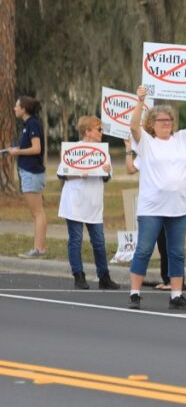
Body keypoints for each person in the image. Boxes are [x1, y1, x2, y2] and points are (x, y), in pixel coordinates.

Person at [126, 85, 186, 310]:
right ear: (152, 124)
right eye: (161, 120)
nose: (166, 123)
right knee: (145, 249)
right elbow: (133, 126)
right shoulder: (147, 142)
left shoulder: (183, 139)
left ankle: (176, 295)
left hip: (179, 207)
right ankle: (135, 293)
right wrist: (140, 101)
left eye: (169, 120)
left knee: (176, 252)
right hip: (151, 208)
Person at [58, 116, 118, 290]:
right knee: (76, 239)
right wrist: (79, 174)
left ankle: (104, 277)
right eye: (98, 129)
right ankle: (79, 275)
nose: (101, 133)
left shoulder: (103, 152)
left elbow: (106, 178)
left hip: (94, 203)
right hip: (75, 201)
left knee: (99, 241)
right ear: (87, 131)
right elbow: (62, 174)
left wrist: (106, 171)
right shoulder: (73, 149)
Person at [125, 143, 173, 289]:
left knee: (171, 246)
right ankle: (165, 281)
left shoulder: (174, 149)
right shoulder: (146, 151)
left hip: (171, 204)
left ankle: (173, 282)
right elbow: (131, 169)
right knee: (150, 247)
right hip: (151, 207)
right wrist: (128, 149)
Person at [5, 96, 47, 258]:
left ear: (24, 109)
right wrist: (16, 149)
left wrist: (18, 152)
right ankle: (39, 248)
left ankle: (38, 249)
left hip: (32, 172)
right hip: (29, 172)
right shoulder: (28, 125)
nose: (14, 108)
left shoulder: (33, 124)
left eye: (17, 106)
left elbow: (36, 149)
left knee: (37, 212)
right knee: (37, 212)